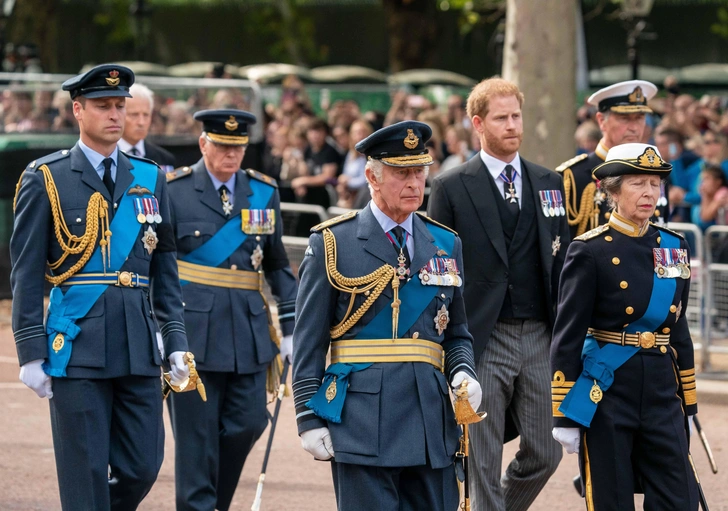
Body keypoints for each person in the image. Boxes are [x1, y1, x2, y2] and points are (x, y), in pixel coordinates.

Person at [10, 63, 190, 510]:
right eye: (102, 106)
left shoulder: (150, 177)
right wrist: (30, 350)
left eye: (119, 106)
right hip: (77, 346)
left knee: (142, 467)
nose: (115, 114)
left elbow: (164, 267)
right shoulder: (46, 177)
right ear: (77, 110)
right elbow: (26, 271)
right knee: (84, 471)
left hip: (137, 345)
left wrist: (175, 340)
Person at [292, 120, 481, 511]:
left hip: (431, 421)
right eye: (401, 173)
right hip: (362, 422)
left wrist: (463, 371)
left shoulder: (445, 242)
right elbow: (310, 340)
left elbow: (457, 331)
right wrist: (307, 416)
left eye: (420, 171)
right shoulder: (333, 242)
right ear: (372, 177)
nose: (414, 183)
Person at [428, 77, 568, 511]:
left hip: (541, 335)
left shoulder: (549, 182)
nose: (512, 125)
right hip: (480, 337)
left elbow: (561, 262)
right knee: (481, 457)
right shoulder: (451, 186)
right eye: (501, 117)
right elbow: (439, 268)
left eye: (516, 116)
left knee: (547, 451)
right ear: (478, 123)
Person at [550, 143, 700, 510]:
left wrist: (690, 403)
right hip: (609, 390)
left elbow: (678, 331)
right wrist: (563, 413)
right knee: (612, 498)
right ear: (612, 191)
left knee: (679, 498)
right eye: (637, 183)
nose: (649, 193)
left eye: (655, 183)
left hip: (663, 392)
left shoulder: (673, 246)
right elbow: (567, 335)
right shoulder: (589, 249)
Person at [165, 109, 297, 511]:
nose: (231, 154)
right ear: (204, 143)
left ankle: (212, 504)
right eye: (222, 146)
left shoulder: (262, 191)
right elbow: (160, 266)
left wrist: (291, 326)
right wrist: (161, 327)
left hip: (248, 333)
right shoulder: (174, 189)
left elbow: (275, 263)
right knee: (196, 439)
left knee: (249, 423)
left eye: (238, 147)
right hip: (192, 332)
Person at [557, 80, 668, 239]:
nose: (634, 127)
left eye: (639, 118)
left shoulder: (656, 169)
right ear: (602, 121)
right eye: (625, 118)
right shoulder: (573, 176)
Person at [119, 82, 176, 172]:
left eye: (146, 115)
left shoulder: (164, 159)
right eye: (134, 115)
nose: (141, 122)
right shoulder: (105, 155)